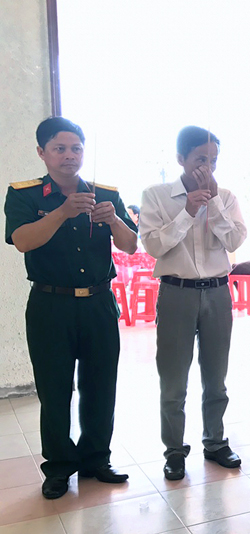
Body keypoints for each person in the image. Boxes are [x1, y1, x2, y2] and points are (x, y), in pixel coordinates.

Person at [4, 117, 138, 499]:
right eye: (59, 148)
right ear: (42, 152)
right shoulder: (25, 194)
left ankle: (96, 459)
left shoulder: (105, 193)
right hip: (50, 305)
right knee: (54, 390)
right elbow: (22, 240)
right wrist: (62, 212)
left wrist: (114, 220)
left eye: (76, 148)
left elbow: (131, 245)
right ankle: (60, 467)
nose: (69, 155)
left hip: (99, 303)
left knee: (101, 386)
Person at [140, 126, 247, 481]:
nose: (208, 167)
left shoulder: (225, 197)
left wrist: (213, 204)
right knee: (174, 381)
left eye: (214, 160)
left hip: (217, 291)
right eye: (201, 159)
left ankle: (215, 442)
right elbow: (154, 246)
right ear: (180, 158)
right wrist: (188, 210)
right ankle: (174, 450)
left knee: (216, 377)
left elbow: (234, 240)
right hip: (177, 292)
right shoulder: (156, 196)